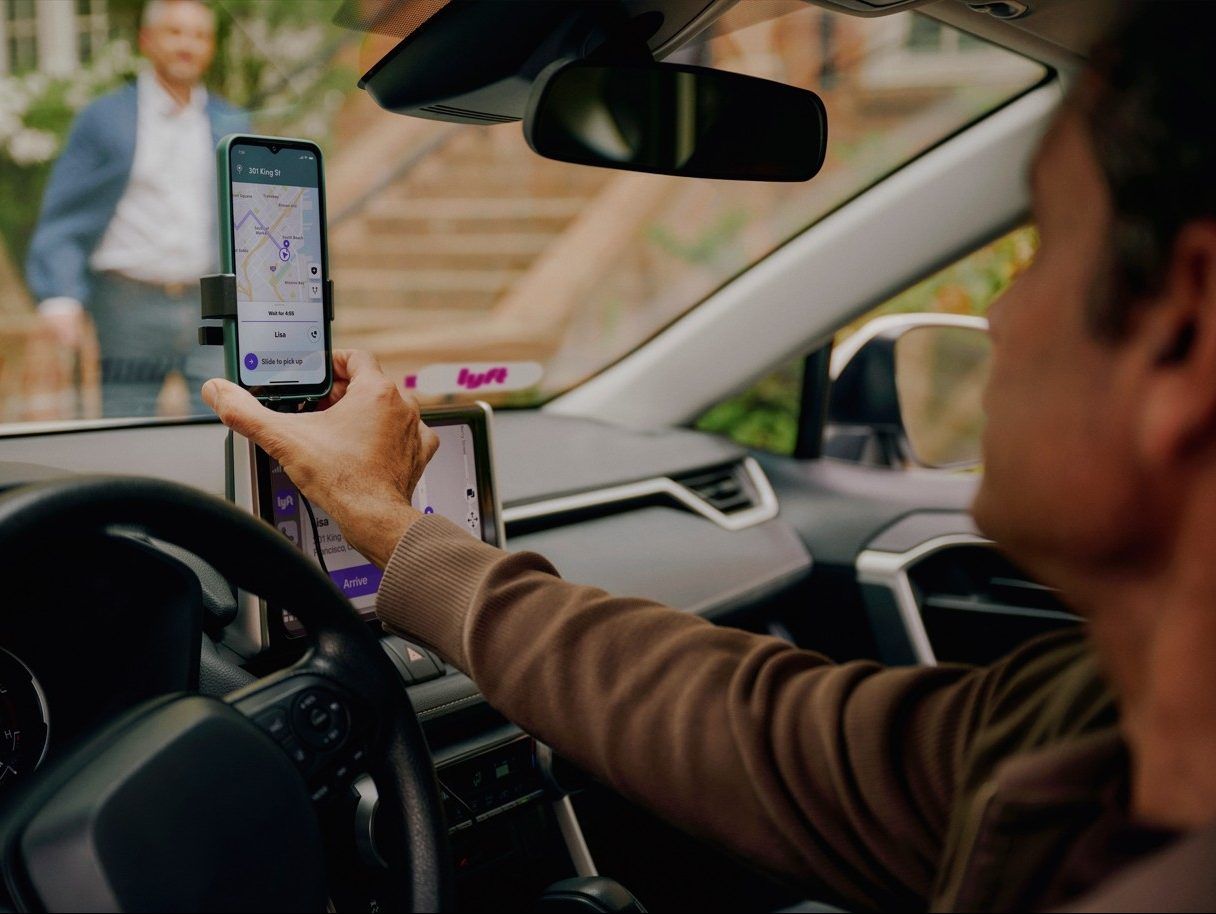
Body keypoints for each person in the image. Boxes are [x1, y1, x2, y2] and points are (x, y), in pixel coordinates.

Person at [204, 6, 1216, 912]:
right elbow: (751, 728)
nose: (998, 312)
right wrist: (393, 527)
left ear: (1186, 322)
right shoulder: (1083, 725)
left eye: (1043, 248)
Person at [26, 0, 246, 418]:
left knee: (224, 428)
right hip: (127, 306)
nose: (188, 45)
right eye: (175, 33)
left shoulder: (229, 121)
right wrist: (59, 294)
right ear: (147, 40)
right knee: (126, 430)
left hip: (211, 308)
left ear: (211, 47)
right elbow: (64, 212)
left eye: (199, 35)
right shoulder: (104, 118)